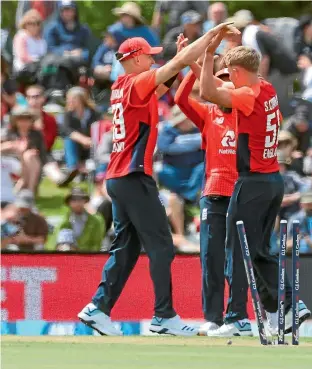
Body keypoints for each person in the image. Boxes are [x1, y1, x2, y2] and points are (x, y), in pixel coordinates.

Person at [77, 22, 238, 336]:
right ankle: (164, 316)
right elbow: (173, 68)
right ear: (135, 58)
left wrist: (184, 60)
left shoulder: (123, 87)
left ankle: (98, 308)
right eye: (149, 56)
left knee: (125, 247)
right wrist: (211, 37)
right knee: (163, 245)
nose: (153, 61)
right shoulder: (136, 83)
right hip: (134, 177)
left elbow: (171, 82)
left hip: (118, 178)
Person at [200, 41, 311, 337]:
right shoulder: (266, 87)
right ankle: (282, 310)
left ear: (237, 71)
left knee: (239, 250)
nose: (227, 77)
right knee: (259, 250)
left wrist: (209, 55)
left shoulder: (248, 94)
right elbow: (221, 94)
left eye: (228, 72)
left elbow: (206, 93)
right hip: (272, 180)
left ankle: (243, 315)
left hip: (252, 183)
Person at [175, 63, 242, 335]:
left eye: (229, 82)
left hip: (240, 192)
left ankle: (236, 317)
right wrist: (193, 64)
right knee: (209, 257)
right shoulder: (207, 112)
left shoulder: (246, 112)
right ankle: (213, 318)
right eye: (219, 82)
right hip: (213, 192)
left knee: (234, 258)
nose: (224, 86)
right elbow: (180, 98)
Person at [0, 105, 47, 194]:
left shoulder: (36, 135)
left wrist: (29, 153)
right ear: (15, 121)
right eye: (21, 119)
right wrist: (10, 145)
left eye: (27, 119)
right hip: (13, 166)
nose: (24, 122)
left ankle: (28, 190)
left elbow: (43, 155)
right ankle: (29, 191)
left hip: (33, 167)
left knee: (29, 155)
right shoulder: (9, 133)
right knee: (26, 156)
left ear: (31, 121)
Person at [50, 188, 105, 252]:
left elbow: (97, 245)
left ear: (85, 201)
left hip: (89, 258)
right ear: (69, 202)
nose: (77, 203)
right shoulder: (63, 222)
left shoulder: (96, 221)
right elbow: (56, 244)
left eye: (80, 199)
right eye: (74, 200)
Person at [13, 9, 47, 76]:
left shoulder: (42, 39)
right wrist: (37, 61)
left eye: (37, 23)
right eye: (31, 23)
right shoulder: (21, 36)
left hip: (40, 67)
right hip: (24, 69)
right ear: (25, 24)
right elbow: (23, 56)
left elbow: (44, 55)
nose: (35, 26)